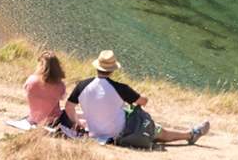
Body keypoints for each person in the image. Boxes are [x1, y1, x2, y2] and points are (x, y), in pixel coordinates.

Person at [65, 50, 210, 146]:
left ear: (97, 67)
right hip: (122, 131)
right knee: (157, 131)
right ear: (113, 70)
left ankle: (190, 134)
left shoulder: (82, 85)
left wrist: (78, 123)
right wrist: (141, 96)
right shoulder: (120, 88)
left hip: (95, 132)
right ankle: (190, 135)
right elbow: (143, 101)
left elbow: (68, 107)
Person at [24, 51, 76, 132]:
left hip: (33, 119)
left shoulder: (31, 80)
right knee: (71, 114)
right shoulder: (60, 85)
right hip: (53, 121)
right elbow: (62, 97)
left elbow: (26, 92)